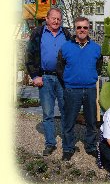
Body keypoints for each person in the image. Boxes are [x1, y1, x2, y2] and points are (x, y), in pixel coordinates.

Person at [25, 8, 71, 156]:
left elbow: (73, 55)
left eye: (59, 19)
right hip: (44, 78)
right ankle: (50, 143)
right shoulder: (38, 33)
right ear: (47, 19)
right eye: (53, 18)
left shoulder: (66, 34)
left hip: (63, 79)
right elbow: (29, 56)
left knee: (66, 111)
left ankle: (67, 144)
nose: (56, 21)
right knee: (48, 113)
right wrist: (34, 76)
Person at [57, 16, 103, 161]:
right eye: (79, 27)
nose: (82, 30)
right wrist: (69, 80)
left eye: (85, 27)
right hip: (72, 90)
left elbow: (99, 67)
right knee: (69, 121)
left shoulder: (96, 48)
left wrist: (90, 76)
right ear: (74, 29)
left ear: (89, 29)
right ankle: (68, 148)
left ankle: (90, 146)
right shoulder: (65, 47)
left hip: (90, 89)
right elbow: (60, 67)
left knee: (91, 121)